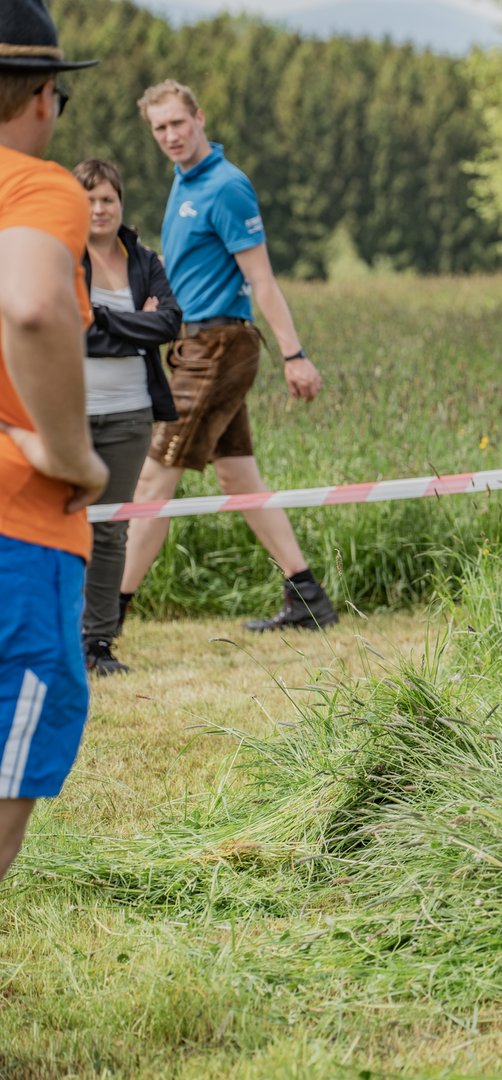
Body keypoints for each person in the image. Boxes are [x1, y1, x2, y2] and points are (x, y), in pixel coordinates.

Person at [119, 79, 337, 632]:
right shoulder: (183, 181)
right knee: (239, 479)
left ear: (200, 119)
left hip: (216, 347)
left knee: (153, 482)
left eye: (178, 122)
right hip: (193, 343)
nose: (170, 135)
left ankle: (100, 626)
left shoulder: (226, 186)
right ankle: (308, 598)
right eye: (160, 128)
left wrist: (294, 355)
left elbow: (261, 279)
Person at [0, 0, 107, 884]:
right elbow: (33, 306)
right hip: (16, 527)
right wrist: (72, 455)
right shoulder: (36, 187)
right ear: (43, 96)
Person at [73, 158, 180, 676]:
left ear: (121, 203)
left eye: (108, 199)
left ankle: (98, 643)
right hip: (69, 414)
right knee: (62, 525)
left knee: (111, 529)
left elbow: (169, 323)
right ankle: (56, 635)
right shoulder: (62, 257)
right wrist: (135, 322)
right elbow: (75, 330)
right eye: (90, 199)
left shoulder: (144, 259)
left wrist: (105, 319)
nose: (99, 208)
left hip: (130, 415)